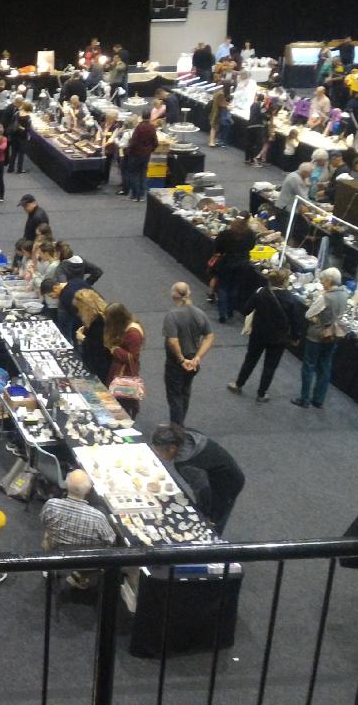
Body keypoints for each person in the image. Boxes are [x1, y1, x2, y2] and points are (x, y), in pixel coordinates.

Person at [150, 424, 244, 535]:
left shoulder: (185, 463)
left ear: (172, 448)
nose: (160, 456)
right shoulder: (187, 434)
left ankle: (213, 539)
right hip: (223, 471)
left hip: (228, 483)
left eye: (160, 452)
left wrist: (203, 514)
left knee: (215, 519)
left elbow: (202, 489)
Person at [228, 269, 298, 403]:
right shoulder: (290, 299)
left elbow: (246, 310)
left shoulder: (260, 292)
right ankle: (261, 394)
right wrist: (296, 337)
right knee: (270, 366)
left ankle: (238, 384)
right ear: (285, 281)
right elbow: (295, 321)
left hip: (259, 334)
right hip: (279, 338)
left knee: (250, 359)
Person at [41, 469, 115, 589]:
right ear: (89, 489)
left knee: (48, 533)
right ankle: (82, 575)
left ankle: (49, 567)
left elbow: (44, 522)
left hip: (56, 550)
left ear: (66, 484)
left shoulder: (51, 505)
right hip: (84, 560)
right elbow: (110, 540)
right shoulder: (98, 517)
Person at [292, 267, 349, 409]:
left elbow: (308, 314)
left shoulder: (325, 297)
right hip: (333, 336)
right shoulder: (344, 294)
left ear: (329, 280)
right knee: (325, 367)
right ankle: (318, 399)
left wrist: (316, 317)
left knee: (309, 366)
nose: (322, 282)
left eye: (323, 280)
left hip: (316, 336)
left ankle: (304, 399)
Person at [162, 283, 214, 426]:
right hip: (193, 363)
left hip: (177, 363)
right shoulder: (200, 313)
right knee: (185, 392)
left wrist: (181, 360)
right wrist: (197, 357)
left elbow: (173, 341)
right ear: (189, 293)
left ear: (174, 296)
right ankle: (180, 424)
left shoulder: (172, 315)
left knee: (174, 395)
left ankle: (176, 428)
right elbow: (209, 336)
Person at [211, 217, 255, 321]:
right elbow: (251, 247)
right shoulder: (250, 235)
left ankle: (222, 313)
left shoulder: (225, 234)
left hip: (227, 262)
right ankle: (230, 311)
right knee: (235, 287)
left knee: (223, 287)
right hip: (242, 264)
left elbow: (217, 248)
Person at [105, 302, 144, 418]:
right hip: (120, 369)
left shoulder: (133, 333)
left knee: (123, 399)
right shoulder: (127, 327)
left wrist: (115, 349)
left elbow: (133, 357)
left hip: (125, 373)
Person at [73, 289, 111, 385]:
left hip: (101, 365)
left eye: (79, 309)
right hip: (106, 361)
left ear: (86, 308)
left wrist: (82, 338)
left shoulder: (98, 323)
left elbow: (97, 347)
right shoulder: (105, 314)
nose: (78, 313)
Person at [123, 113, 157, 201]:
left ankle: (135, 195)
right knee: (143, 174)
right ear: (150, 117)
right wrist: (151, 150)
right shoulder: (152, 127)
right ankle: (142, 195)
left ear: (142, 117)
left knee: (134, 174)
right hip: (146, 154)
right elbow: (155, 142)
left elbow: (133, 141)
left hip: (136, 154)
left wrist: (129, 151)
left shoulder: (139, 128)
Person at [8, 102, 32, 173]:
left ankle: (10, 168)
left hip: (14, 135)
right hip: (22, 137)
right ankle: (19, 169)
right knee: (21, 154)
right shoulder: (28, 118)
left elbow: (11, 123)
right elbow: (28, 129)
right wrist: (22, 128)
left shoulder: (16, 114)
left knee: (13, 153)